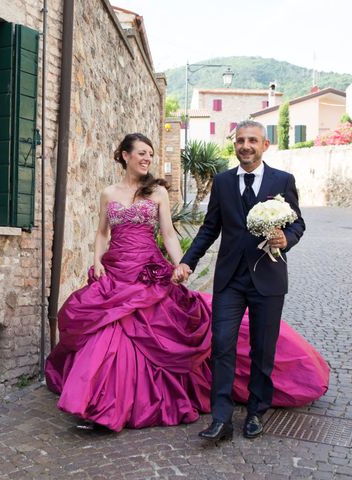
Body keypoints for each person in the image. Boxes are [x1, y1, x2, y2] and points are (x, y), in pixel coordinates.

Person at [45, 132, 328, 433]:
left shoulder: (159, 192)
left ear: (263, 145)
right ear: (124, 155)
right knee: (111, 335)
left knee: (253, 345)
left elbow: (168, 233)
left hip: (150, 273)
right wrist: (97, 261)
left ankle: (254, 412)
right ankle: (101, 405)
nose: (146, 159)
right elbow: (103, 232)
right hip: (118, 274)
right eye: (141, 153)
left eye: (150, 154)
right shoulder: (109, 194)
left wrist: (181, 265)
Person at [177, 119, 305, 441]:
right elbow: (210, 228)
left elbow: (298, 223)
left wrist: (286, 239)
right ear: (234, 145)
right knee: (221, 345)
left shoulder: (282, 180)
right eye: (240, 141)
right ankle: (221, 418)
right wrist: (187, 262)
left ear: (265, 145)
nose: (245, 146)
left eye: (252, 140)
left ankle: (256, 411)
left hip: (268, 278)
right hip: (231, 278)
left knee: (263, 350)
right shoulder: (221, 183)